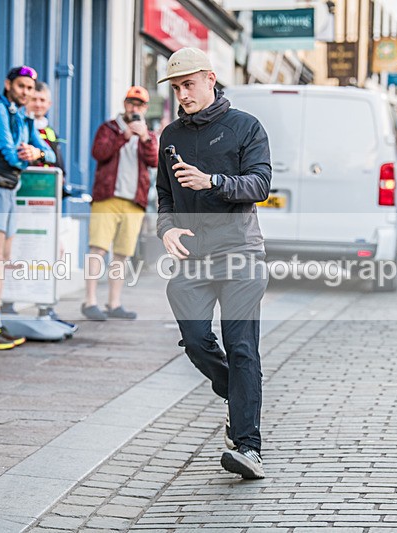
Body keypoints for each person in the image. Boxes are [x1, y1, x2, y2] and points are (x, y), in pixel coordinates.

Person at [156, 47, 272, 480]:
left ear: (209, 78)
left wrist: (213, 182)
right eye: (176, 88)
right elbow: (165, 197)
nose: (182, 94)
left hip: (241, 252)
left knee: (242, 347)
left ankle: (248, 447)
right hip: (195, 258)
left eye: (188, 84)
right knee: (195, 338)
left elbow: (260, 184)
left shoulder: (245, 127)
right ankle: (233, 390)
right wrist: (165, 228)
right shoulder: (170, 136)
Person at [0, 65, 56, 349]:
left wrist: (37, 151)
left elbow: (50, 153)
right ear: (8, 84)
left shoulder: (21, 117)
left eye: (30, 89)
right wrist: (28, 158)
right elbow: (10, 155)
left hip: (8, 190)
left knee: (3, 259)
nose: (26, 92)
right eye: (21, 86)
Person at [81, 86, 158, 321]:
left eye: (139, 104)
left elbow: (154, 160)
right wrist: (123, 137)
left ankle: (114, 303)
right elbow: (99, 153)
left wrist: (143, 137)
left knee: (122, 254)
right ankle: (90, 300)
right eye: (131, 103)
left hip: (134, 202)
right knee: (98, 249)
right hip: (107, 198)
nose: (134, 108)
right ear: (124, 104)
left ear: (145, 108)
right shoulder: (109, 128)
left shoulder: (149, 134)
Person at [26, 81, 78, 334]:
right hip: (24, 200)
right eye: (34, 99)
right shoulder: (23, 127)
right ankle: (8, 300)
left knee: (51, 251)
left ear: (49, 103)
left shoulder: (51, 132)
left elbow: (59, 165)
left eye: (42, 100)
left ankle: (45, 304)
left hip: (49, 203)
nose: (37, 104)